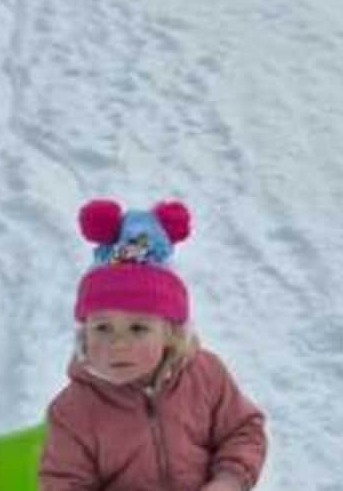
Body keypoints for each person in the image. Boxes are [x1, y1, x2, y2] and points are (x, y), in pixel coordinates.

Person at [40, 199, 267, 491]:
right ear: (85, 334)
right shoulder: (73, 411)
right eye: (103, 328)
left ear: (170, 333)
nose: (118, 344)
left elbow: (242, 430)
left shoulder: (206, 376)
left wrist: (229, 480)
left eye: (138, 328)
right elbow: (63, 482)